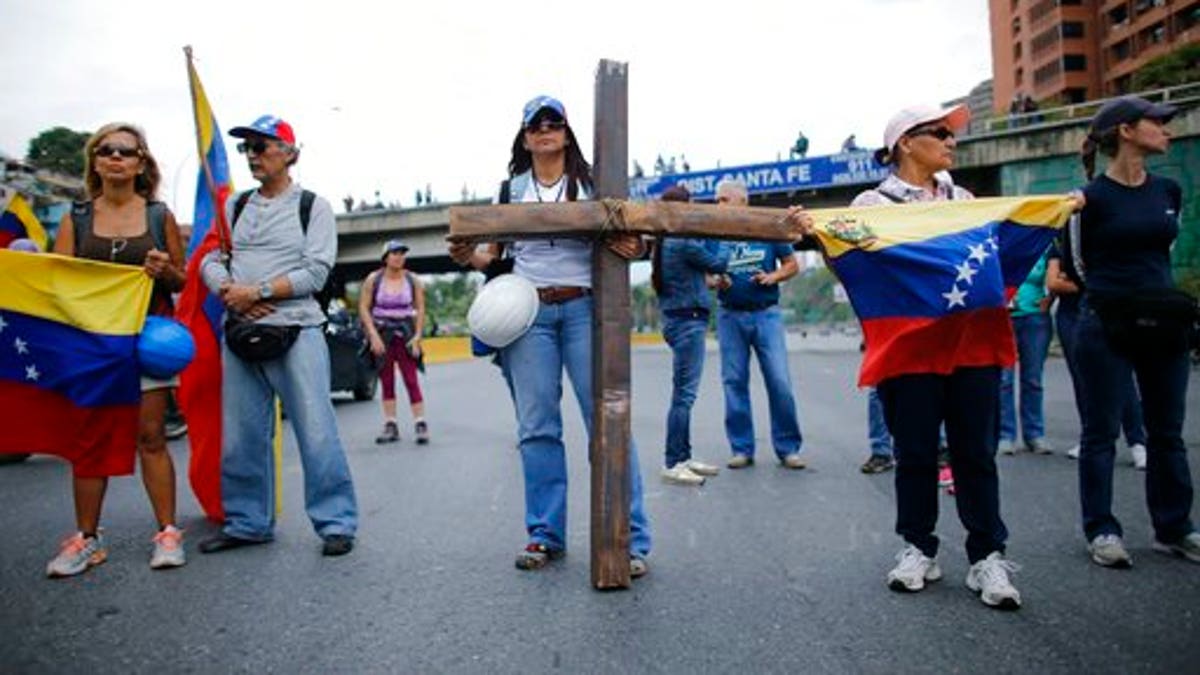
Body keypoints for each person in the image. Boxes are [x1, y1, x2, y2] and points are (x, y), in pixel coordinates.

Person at [448, 95, 652, 575]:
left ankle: (632, 539)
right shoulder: (510, 189)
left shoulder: (594, 182)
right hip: (529, 313)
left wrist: (636, 244)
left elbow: (638, 236)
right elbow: (494, 256)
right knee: (537, 427)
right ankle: (545, 534)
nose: (545, 129)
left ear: (566, 131)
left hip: (586, 308)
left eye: (553, 121)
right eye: (535, 124)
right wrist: (467, 258)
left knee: (608, 423)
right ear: (524, 137)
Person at [835, 103, 1025, 609]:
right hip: (910, 349)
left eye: (951, 133)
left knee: (975, 455)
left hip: (970, 346)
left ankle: (988, 555)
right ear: (905, 142)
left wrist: (1058, 209)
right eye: (940, 133)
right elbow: (850, 260)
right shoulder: (871, 205)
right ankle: (918, 547)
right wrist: (812, 227)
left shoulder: (965, 201)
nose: (951, 141)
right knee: (915, 454)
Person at [197, 114, 357, 557]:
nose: (252, 156)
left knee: (317, 430)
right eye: (246, 148)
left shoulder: (314, 207)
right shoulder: (235, 206)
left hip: (297, 331)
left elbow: (317, 271)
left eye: (261, 147)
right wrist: (228, 291)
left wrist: (260, 291)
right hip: (242, 329)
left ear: (289, 153)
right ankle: (248, 522)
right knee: (242, 435)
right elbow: (213, 256)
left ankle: (336, 523)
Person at [47, 122, 188, 576]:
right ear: (94, 160)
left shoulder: (158, 215)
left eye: (125, 151)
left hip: (148, 341)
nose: (115, 157)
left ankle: (168, 533)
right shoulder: (77, 217)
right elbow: (56, 281)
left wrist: (164, 268)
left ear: (141, 162)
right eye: (105, 150)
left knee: (151, 437)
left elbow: (181, 281)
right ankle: (87, 538)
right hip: (93, 343)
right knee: (91, 440)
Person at [1072, 96, 1198, 567]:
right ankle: (1101, 530)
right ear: (1127, 131)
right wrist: (1114, 299)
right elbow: (1079, 264)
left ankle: (1175, 527)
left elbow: (1162, 252)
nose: (1168, 130)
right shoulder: (1089, 199)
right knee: (1101, 431)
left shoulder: (1169, 191)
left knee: (1167, 432)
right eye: (1158, 123)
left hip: (1164, 321)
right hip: (1106, 320)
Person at [712, 178, 808, 471]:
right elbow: (704, 274)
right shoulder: (711, 232)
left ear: (742, 202)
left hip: (766, 314)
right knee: (734, 382)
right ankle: (741, 448)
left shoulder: (767, 228)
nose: (719, 205)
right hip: (729, 315)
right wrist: (715, 280)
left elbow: (792, 265)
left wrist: (772, 277)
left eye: (724, 199)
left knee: (779, 381)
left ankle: (788, 447)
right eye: (718, 200)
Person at [652, 185, 729, 486]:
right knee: (684, 396)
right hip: (687, 323)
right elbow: (719, 262)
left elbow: (694, 278)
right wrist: (721, 231)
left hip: (681, 320)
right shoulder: (681, 240)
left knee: (683, 394)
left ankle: (683, 457)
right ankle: (673, 462)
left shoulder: (667, 241)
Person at [1045, 244, 1148, 467]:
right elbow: (1053, 282)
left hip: (1107, 313)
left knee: (1122, 379)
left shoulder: (1106, 238)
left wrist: (1073, 281)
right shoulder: (1060, 245)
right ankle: (1088, 435)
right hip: (1071, 315)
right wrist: (1082, 282)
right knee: (1082, 380)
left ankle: (1137, 442)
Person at [360, 240, 428, 445]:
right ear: (385, 257)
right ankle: (391, 426)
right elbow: (364, 307)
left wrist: (417, 336)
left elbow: (420, 308)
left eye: (402, 253)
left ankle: (420, 424)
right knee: (386, 380)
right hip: (382, 334)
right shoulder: (374, 279)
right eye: (394, 253)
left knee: (411, 379)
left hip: (405, 333)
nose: (399, 256)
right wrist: (372, 335)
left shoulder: (412, 279)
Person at [998, 252, 1054, 455]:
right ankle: (1005, 435)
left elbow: (1055, 274)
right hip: (1003, 317)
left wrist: (1050, 296)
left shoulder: (1041, 244)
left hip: (1035, 317)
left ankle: (1034, 434)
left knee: (1033, 379)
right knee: (1003, 380)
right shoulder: (1001, 241)